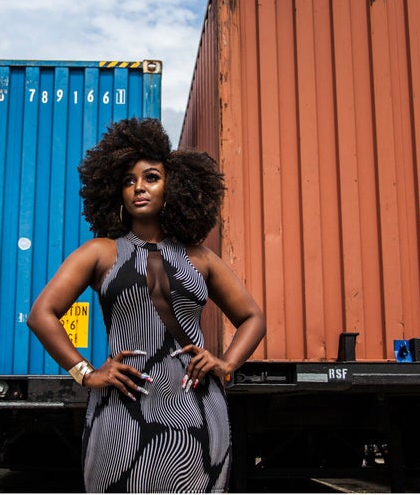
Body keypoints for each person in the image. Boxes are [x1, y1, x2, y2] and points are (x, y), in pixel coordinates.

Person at [27, 117, 265, 493]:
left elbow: (253, 317)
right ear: (115, 191)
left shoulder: (200, 258)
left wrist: (227, 363)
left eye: (151, 177)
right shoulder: (100, 252)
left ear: (175, 186)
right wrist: (86, 373)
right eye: (128, 180)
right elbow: (42, 314)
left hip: (197, 409)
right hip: (120, 413)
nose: (138, 187)